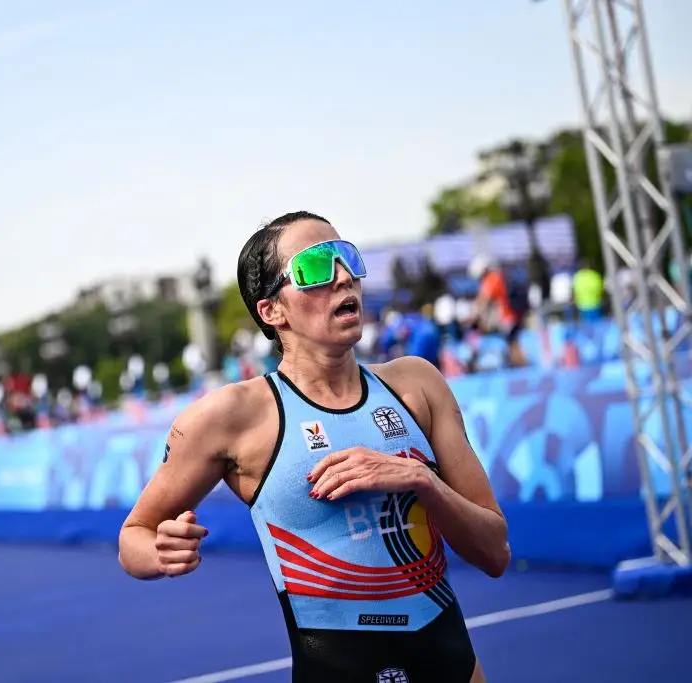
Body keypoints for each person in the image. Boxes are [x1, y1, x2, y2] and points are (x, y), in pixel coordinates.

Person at [118, 212, 509, 683]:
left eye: (347, 258)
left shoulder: (417, 385)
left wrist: (420, 479)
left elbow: (495, 553)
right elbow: (133, 537)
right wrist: (160, 552)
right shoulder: (229, 417)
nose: (343, 276)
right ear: (272, 311)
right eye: (315, 268)